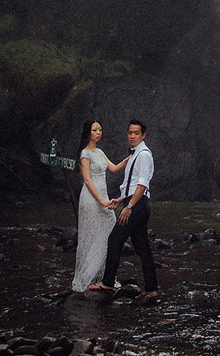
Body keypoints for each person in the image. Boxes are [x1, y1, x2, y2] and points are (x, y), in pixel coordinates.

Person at [88, 118, 158, 303]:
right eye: (130, 133)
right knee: (142, 248)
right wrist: (120, 199)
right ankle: (151, 290)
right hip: (136, 204)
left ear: (143, 135)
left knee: (115, 239)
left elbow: (142, 185)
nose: (132, 136)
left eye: (136, 133)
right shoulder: (136, 154)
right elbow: (132, 184)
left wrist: (128, 207)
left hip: (137, 205)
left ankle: (108, 283)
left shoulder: (143, 154)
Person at [71, 118, 124, 293]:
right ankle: (87, 277)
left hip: (104, 199)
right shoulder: (84, 154)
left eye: (100, 129)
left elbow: (115, 168)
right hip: (91, 200)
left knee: (110, 231)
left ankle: (103, 275)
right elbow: (87, 180)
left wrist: (131, 158)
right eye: (95, 130)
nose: (99, 132)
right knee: (91, 235)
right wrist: (101, 200)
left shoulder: (100, 152)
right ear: (88, 133)